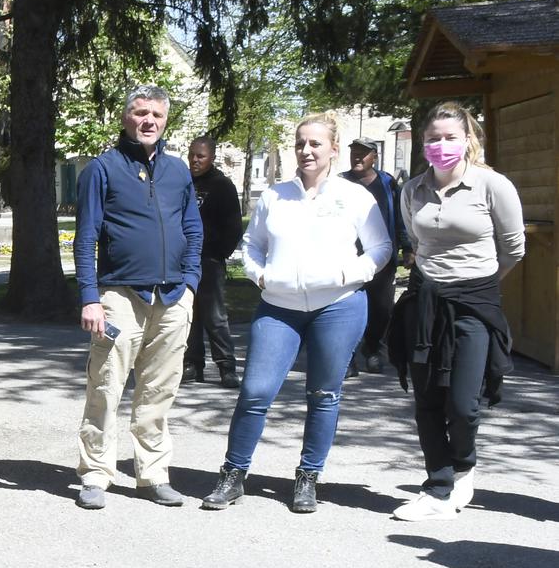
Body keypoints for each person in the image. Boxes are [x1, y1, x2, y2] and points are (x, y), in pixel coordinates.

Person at [201, 112, 390, 514]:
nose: (306, 150)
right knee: (254, 392)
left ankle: (308, 477)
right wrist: (260, 276)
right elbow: (251, 246)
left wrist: (348, 273)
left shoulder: (355, 197)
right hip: (279, 307)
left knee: (323, 394)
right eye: (300, 143)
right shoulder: (275, 196)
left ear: (333, 150)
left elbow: (381, 249)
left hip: (338, 306)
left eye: (315, 143)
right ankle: (233, 474)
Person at [390, 102, 524, 521]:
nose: (441, 145)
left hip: (474, 303)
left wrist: (478, 287)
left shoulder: (492, 185)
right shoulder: (412, 190)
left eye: (450, 137)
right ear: (423, 143)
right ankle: (438, 484)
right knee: (427, 399)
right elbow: (416, 240)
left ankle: (464, 465)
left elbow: (514, 248)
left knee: (464, 403)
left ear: (468, 139)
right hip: (425, 302)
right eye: (433, 138)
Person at [73, 84, 203, 509]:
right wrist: (90, 297)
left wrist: (191, 283)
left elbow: (193, 230)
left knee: (159, 390)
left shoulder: (178, 170)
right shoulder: (102, 169)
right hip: (120, 296)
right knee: (106, 386)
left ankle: (152, 474)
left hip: (172, 297)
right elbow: (86, 235)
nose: (149, 121)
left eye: (157, 115)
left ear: (166, 121)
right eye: (141, 113)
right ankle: (96, 473)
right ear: (126, 117)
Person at [342, 137, 409, 375]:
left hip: (382, 257)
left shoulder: (388, 183)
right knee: (347, 307)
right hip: (347, 257)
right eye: (354, 153)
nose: (357, 157)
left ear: (374, 157)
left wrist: (407, 248)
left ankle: (372, 350)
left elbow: (400, 217)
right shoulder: (340, 183)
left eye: (363, 153)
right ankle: (347, 357)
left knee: (381, 308)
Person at [183, 136, 243, 387]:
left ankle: (226, 366)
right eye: (192, 155)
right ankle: (192, 363)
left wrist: (218, 253)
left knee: (215, 316)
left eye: (201, 156)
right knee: (189, 315)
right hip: (184, 260)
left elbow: (233, 227)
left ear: (212, 157)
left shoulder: (222, 185)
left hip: (209, 259)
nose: (195, 160)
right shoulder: (183, 182)